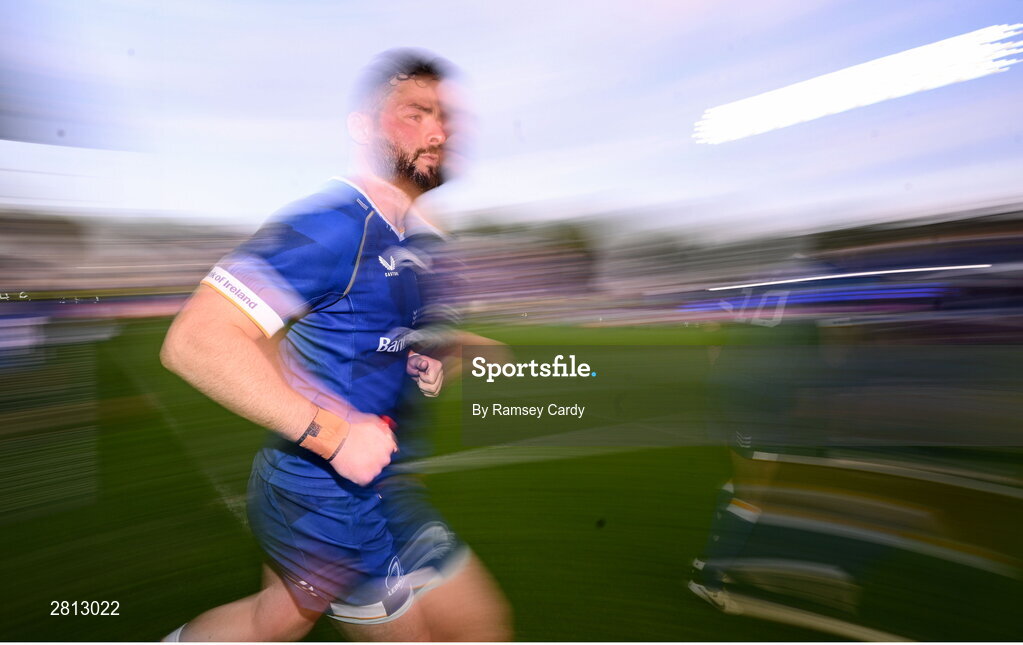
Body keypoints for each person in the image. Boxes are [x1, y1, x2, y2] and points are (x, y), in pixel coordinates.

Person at [159, 48, 511, 642]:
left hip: (384, 488)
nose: (438, 131)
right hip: (326, 496)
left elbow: (387, 339)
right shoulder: (336, 224)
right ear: (367, 126)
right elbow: (196, 340)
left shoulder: (419, 242)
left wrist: (453, 348)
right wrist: (335, 434)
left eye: (445, 117)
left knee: (471, 624)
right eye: (416, 113)